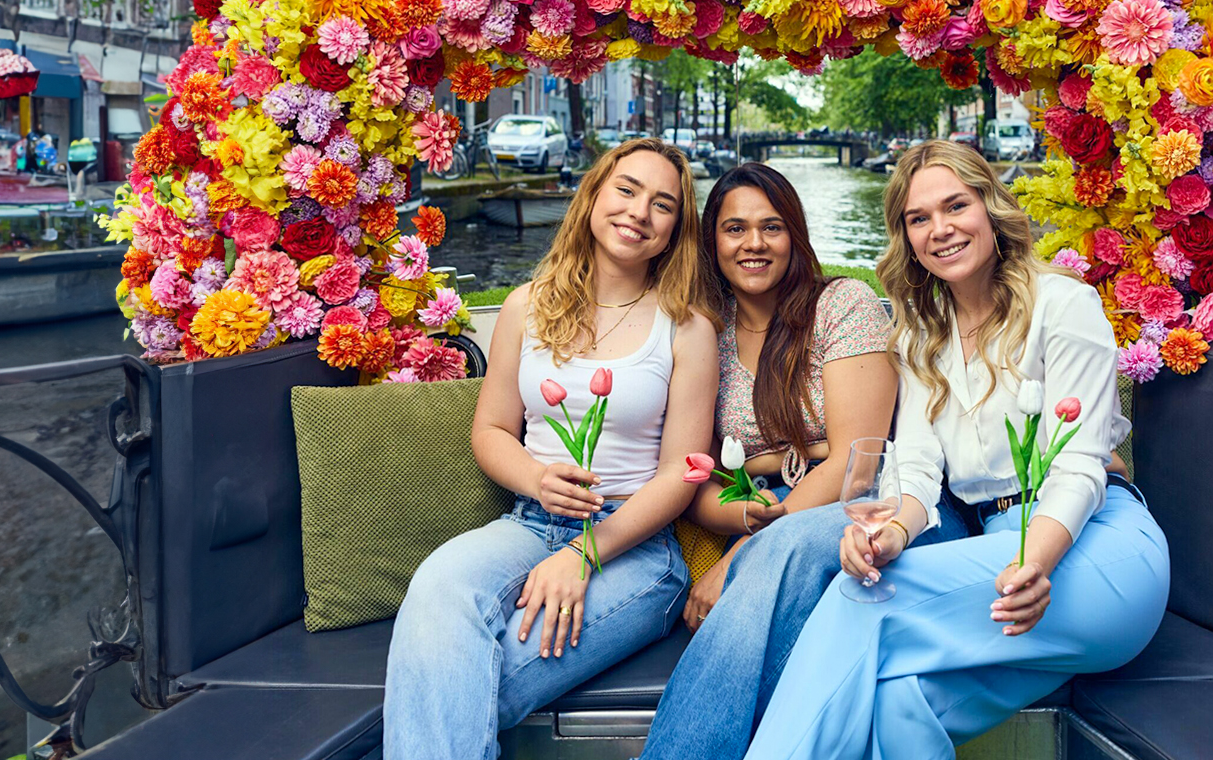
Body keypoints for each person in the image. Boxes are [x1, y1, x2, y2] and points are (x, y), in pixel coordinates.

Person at [743, 141, 1170, 760]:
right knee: (895, 707)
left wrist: (1037, 561)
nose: (940, 229)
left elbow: (1079, 466)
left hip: (1094, 549)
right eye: (919, 219)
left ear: (990, 209)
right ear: (906, 237)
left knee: (859, 598)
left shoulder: (1064, 304)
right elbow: (915, 470)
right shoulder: (920, 332)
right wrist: (889, 533)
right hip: (998, 554)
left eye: (955, 206)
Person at [384, 138, 719, 760]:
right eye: (626, 190)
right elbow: (490, 432)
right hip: (529, 525)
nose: (639, 212)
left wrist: (585, 555)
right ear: (593, 195)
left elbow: (681, 472)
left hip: (636, 550)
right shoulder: (526, 306)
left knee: (458, 684)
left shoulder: (688, 326)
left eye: (662, 204)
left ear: (675, 230)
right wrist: (537, 480)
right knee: (438, 586)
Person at [638, 162, 972, 760]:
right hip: (785, 516)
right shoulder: (704, 332)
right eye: (735, 228)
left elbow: (854, 463)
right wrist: (748, 517)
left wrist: (749, 546)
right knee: (780, 575)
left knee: (776, 559)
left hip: (881, 512)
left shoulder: (842, 306)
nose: (754, 244)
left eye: (772, 227)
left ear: (795, 234)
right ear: (712, 241)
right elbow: (699, 477)